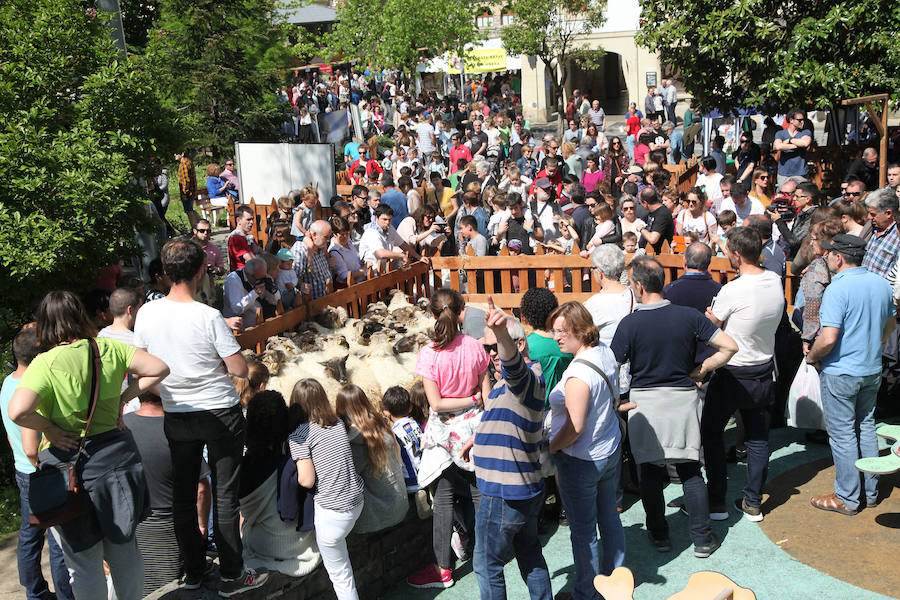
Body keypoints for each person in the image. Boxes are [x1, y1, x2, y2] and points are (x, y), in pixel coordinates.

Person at [9, 291, 170, 600]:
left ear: (46, 324)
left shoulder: (44, 363)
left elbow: (17, 411)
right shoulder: (109, 347)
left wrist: (49, 429)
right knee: (124, 550)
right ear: (80, 315)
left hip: (67, 469)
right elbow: (159, 368)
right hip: (117, 461)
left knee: (83, 562)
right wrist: (124, 398)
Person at [133, 238, 268, 597]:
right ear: (199, 272)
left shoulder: (147, 313)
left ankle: (193, 571)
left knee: (183, 494)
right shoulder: (207, 316)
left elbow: (142, 362)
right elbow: (239, 368)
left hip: (177, 411)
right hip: (219, 412)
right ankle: (232, 574)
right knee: (225, 495)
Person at [611, 257, 737, 557]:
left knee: (650, 474)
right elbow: (730, 346)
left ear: (639, 286)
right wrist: (703, 368)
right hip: (683, 400)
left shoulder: (629, 323)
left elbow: (610, 365)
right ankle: (702, 539)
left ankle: (659, 535)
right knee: (691, 471)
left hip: (645, 403)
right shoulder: (688, 317)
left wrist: (616, 401)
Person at [806, 234, 895, 515]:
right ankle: (869, 491)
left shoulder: (837, 288)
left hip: (841, 371)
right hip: (871, 367)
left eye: (829, 254)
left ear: (838, 256)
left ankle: (847, 497)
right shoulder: (881, 283)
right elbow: (891, 324)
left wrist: (811, 356)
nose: (827, 258)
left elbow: (828, 337)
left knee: (843, 434)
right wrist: (871, 343)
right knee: (865, 427)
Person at [408, 288, 490, 589]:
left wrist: (466, 400)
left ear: (432, 315)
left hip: (443, 435)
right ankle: (485, 555)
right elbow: (487, 397)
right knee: (480, 492)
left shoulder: (428, 353)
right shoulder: (475, 347)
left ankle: (443, 568)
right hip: (474, 431)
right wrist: (473, 400)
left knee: (443, 499)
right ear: (461, 312)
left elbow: (437, 404)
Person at [470, 300, 552, 600]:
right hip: (523, 486)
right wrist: (478, 438)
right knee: (529, 552)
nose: (491, 354)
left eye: (495, 347)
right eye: (487, 348)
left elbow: (513, 366)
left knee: (485, 562)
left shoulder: (526, 381)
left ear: (519, 344)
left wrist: (500, 333)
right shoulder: (507, 384)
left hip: (505, 492)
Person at [702, 227, 785, 522]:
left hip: (733, 371)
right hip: (762, 367)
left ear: (736, 255)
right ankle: (752, 502)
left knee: (710, 432)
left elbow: (710, 324)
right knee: (758, 435)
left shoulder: (732, 290)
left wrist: (710, 313)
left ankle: (716, 503)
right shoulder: (774, 279)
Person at [548, 302, 625, 596]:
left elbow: (575, 427)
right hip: (609, 448)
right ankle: (616, 579)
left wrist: (552, 446)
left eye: (561, 332)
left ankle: (587, 592)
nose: (556, 337)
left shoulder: (578, 374)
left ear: (579, 330)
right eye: (555, 331)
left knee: (583, 531)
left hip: (582, 459)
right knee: (609, 516)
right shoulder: (604, 351)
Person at [1, 327, 75, 600]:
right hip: (41, 471)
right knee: (58, 541)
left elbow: (12, 435)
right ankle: (67, 595)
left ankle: (36, 593)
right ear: (39, 355)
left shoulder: (8, 383)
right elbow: (32, 445)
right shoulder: (31, 389)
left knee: (30, 536)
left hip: (22, 469)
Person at [126, 386, 213, 596]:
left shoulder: (120, 426)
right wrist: (202, 525)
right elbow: (202, 488)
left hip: (129, 523)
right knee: (171, 589)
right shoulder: (179, 430)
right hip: (171, 525)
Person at [289, 379, 364, 600]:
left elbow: (307, 480)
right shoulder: (336, 423)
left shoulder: (299, 434)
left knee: (341, 575)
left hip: (334, 513)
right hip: (357, 500)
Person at [240, 390, 320, 577]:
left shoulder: (244, 467)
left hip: (263, 545)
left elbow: (246, 513)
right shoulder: (297, 459)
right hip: (300, 545)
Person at [335, 385, 408, 533]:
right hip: (400, 504)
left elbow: (346, 480)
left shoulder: (355, 442)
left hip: (379, 517)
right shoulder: (381, 426)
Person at [520, 287, 572, 400]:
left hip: (535, 409)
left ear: (526, 314)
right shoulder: (567, 343)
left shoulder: (526, 346)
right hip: (564, 405)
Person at [223, 256, 281, 330]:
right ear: (248, 274)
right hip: (239, 330)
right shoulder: (234, 280)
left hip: (258, 326)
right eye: (258, 279)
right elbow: (236, 309)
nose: (260, 281)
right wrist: (255, 293)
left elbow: (277, 300)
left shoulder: (259, 275)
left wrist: (271, 287)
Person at [768, 182, 820, 259]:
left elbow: (794, 241)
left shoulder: (815, 216)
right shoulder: (802, 213)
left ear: (807, 199)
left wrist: (779, 221)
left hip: (804, 259)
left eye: (797, 196)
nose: (794, 199)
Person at [291, 219, 333, 300]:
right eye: (326, 237)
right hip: (312, 303)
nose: (328, 240)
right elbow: (293, 275)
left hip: (326, 298)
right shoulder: (301, 249)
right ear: (314, 234)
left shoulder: (321, 247)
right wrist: (301, 285)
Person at [774, 108, 813, 188]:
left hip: (801, 173)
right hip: (784, 174)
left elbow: (805, 143)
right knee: (783, 196)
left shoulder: (805, 132)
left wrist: (789, 140)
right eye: (799, 120)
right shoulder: (780, 133)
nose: (802, 122)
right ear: (791, 120)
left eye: (803, 120)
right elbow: (778, 146)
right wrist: (797, 145)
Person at [193, 219, 225, 303]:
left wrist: (215, 269)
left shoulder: (214, 249)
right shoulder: (187, 247)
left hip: (209, 290)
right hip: (191, 290)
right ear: (195, 231)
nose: (206, 233)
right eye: (202, 231)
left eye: (208, 231)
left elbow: (222, 270)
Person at [328, 216, 367, 286]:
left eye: (347, 233)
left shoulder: (348, 241)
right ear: (334, 234)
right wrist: (363, 270)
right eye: (342, 234)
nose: (345, 236)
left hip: (361, 283)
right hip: (349, 287)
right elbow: (344, 276)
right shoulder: (334, 252)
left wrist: (359, 263)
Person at [635, 187, 674, 253]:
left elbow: (653, 239)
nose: (640, 205)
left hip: (660, 256)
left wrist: (641, 229)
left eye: (640, 203)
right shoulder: (651, 213)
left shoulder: (662, 214)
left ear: (645, 203)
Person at [228, 205, 260, 272]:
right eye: (248, 219)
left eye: (252, 219)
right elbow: (251, 260)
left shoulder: (248, 237)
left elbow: (260, 252)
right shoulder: (236, 237)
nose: (252, 222)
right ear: (238, 220)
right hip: (241, 277)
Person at [176, 150, 199, 228]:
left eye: (177, 153)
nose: (174, 155)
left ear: (182, 154)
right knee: (191, 210)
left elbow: (186, 180)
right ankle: (201, 226)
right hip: (192, 191)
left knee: (189, 211)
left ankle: (195, 230)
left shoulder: (184, 164)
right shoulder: (188, 162)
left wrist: (184, 193)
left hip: (187, 192)